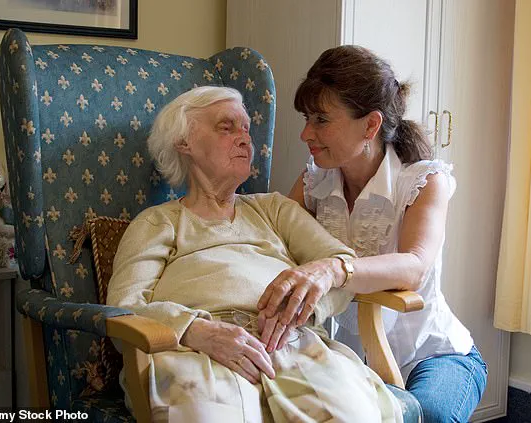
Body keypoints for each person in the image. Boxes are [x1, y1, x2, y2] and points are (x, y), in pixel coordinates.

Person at [107, 86, 404, 422]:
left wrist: (301, 310)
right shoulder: (157, 222)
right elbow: (123, 310)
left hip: (293, 342)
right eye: (227, 127)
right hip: (194, 350)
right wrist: (195, 330)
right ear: (183, 142)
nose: (245, 139)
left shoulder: (274, 209)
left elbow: (341, 267)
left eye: (247, 129)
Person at [256, 46, 488, 423]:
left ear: (370, 125)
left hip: (435, 355)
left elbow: (414, 267)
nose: (305, 133)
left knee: (425, 414)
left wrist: (335, 269)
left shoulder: (424, 181)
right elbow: (270, 245)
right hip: (349, 357)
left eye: (321, 120)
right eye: (306, 118)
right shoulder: (314, 182)